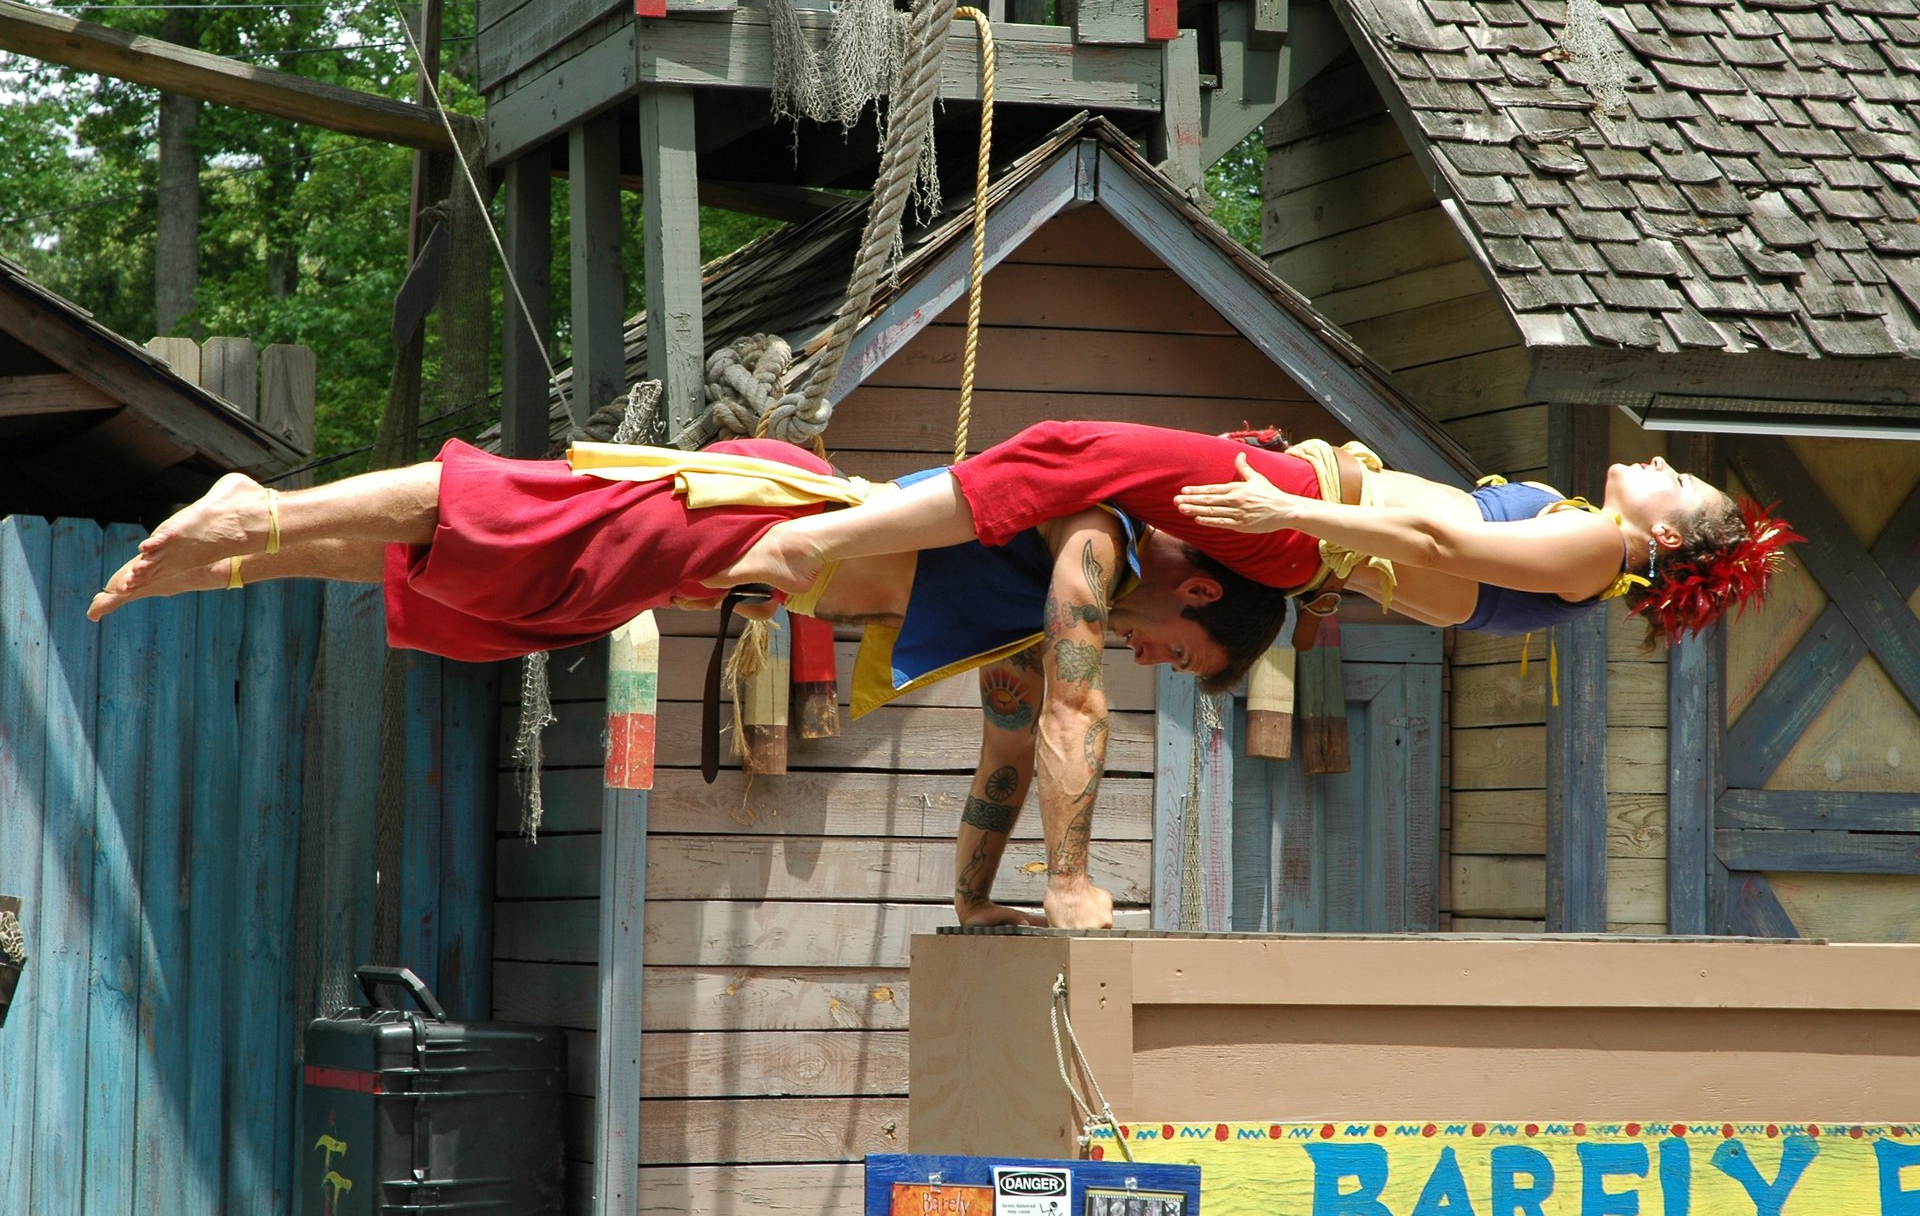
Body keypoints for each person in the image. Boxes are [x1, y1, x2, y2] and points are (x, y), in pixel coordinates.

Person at [88, 435, 1289, 931]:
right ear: (1192, 597)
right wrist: (1070, 875)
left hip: (741, 575)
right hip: (766, 514)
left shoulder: (1041, 617)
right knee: (521, 513)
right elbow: (1079, 705)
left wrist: (977, 899)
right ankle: (269, 507)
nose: (1147, 665)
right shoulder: (1100, 546)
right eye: (1175, 657)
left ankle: (250, 555)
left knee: (509, 593)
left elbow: (1014, 751)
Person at [710, 419, 1798, 647]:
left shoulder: (1594, 551)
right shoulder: (1579, 550)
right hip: (1310, 525)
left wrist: (1295, 509)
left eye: (1676, 480)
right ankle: (831, 526)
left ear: (1667, 540)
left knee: (1069, 451)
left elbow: (1436, 551)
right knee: (1073, 465)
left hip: (1305, 519)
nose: (1656, 464)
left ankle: (829, 538)